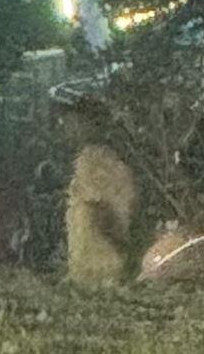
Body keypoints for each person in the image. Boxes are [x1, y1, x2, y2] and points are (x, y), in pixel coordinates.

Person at [61, 104, 137, 288]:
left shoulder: (98, 160)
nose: (67, 129)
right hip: (89, 260)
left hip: (102, 260)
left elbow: (104, 207)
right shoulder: (90, 158)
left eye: (73, 123)